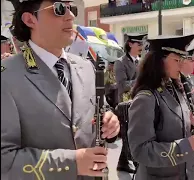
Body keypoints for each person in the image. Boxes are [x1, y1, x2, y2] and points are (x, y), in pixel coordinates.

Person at [1, 0, 120, 179]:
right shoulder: (8, 76)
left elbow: (98, 113)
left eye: (71, 8)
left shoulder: (86, 67)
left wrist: (111, 124)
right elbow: (5, 160)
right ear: (30, 19)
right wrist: (71, 163)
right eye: (59, 9)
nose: (71, 15)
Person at [127, 34, 194, 180]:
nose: (181, 65)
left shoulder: (177, 89)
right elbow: (140, 151)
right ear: (159, 61)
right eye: (176, 60)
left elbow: (175, 130)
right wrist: (187, 145)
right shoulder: (146, 98)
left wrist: (192, 125)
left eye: (182, 59)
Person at [114, 33, 147, 173]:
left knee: (131, 133)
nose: (141, 47)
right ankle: (136, 163)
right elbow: (121, 85)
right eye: (138, 44)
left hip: (139, 101)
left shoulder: (141, 61)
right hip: (126, 103)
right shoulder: (120, 62)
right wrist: (139, 81)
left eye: (142, 44)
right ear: (130, 44)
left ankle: (123, 163)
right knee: (130, 133)